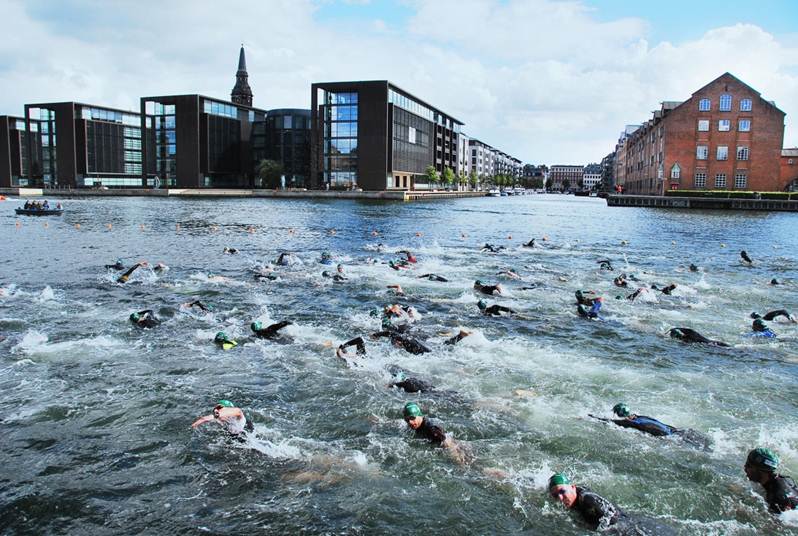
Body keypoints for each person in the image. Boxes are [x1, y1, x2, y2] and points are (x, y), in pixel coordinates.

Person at [547, 474, 672, 534]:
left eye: (562, 491)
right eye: (555, 495)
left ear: (573, 487)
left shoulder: (589, 500)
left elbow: (612, 521)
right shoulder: (575, 497)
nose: (560, 497)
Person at [599, 403, 712, 450]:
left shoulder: (629, 422)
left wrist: (590, 417)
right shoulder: (639, 416)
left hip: (671, 438)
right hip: (679, 431)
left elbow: (611, 422)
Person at [744, 447, 798, 513]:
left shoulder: (776, 497)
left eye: (748, 465)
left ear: (761, 470)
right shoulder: (785, 479)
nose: (745, 467)